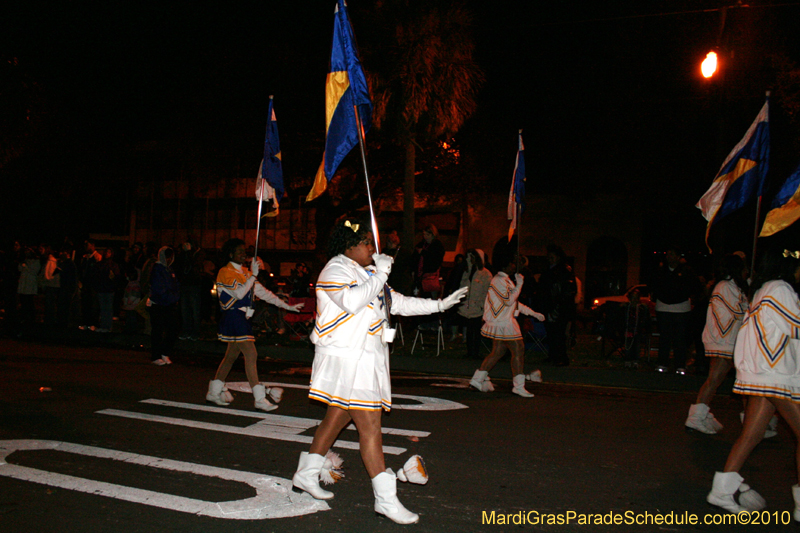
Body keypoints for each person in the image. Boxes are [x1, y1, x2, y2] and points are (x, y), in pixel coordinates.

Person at [290, 220, 466, 524]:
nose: (373, 248)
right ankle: (386, 500)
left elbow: (395, 303)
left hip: (366, 359)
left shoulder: (368, 272)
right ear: (349, 246)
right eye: (366, 243)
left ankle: (305, 475)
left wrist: (439, 305)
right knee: (370, 426)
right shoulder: (335, 270)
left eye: (372, 243)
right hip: (348, 360)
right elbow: (352, 302)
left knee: (336, 418)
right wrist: (382, 272)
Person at [706, 247, 800, 519]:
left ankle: (722, 491)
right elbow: (795, 326)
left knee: (751, 435)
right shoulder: (781, 289)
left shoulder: (764, 289)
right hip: (774, 374)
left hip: (762, 373)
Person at [206, 238, 305, 411]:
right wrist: (252, 275)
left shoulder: (245, 272)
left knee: (231, 356)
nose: (244, 254)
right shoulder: (225, 272)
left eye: (245, 251)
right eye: (240, 252)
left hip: (242, 318)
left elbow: (264, 294)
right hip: (233, 317)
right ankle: (259, 398)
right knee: (251, 354)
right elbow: (238, 293)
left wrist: (287, 306)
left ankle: (213, 392)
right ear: (230, 254)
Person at [685, 254, 748, 434]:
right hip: (725, 342)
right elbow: (735, 312)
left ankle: (699, 415)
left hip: (727, 342)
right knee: (734, 381)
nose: (746, 271)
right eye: (743, 268)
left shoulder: (731, 286)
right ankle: (753, 420)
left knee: (739, 382)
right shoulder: (725, 286)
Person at [469, 250, 545, 398]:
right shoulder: (499, 280)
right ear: (505, 265)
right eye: (512, 263)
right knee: (518, 349)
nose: (514, 265)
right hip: (503, 322)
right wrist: (520, 284)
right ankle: (518, 386)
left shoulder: (505, 280)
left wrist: (533, 313)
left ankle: (477, 380)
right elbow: (509, 300)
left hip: (503, 321)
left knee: (498, 351)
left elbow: (514, 303)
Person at [651, 246, 697, 374]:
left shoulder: (686, 271)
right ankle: (662, 363)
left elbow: (693, 286)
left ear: (678, 257)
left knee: (680, 338)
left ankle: (680, 365)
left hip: (681, 309)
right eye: (668, 254)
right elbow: (655, 285)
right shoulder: (661, 270)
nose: (669, 257)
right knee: (665, 337)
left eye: (672, 254)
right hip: (663, 307)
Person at [538, 244, 577, 367]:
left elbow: (568, 290)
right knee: (551, 332)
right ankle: (553, 355)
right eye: (549, 257)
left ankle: (562, 357)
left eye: (552, 257)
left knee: (559, 333)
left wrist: (559, 304)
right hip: (549, 305)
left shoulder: (565, 270)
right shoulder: (548, 270)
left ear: (558, 257)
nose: (550, 259)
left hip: (560, 307)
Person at [457, 249, 492, 358]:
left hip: (477, 307)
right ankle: (469, 351)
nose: (470, 259)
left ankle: (475, 352)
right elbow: (462, 287)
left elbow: (487, 291)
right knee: (469, 330)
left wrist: (482, 305)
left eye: (472, 257)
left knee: (476, 331)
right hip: (467, 307)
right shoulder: (467, 272)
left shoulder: (486, 274)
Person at [148, 246, 180, 365]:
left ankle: (164, 353)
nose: (168, 259)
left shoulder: (169, 269)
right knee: (158, 330)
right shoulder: (157, 269)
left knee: (173, 329)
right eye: (167, 257)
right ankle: (156, 355)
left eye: (170, 257)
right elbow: (158, 288)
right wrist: (171, 297)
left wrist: (175, 297)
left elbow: (176, 285)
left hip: (169, 304)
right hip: (159, 304)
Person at [410, 223, 444, 298]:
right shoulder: (421, 245)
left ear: (433, 235)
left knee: (431, 299)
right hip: (420, 277)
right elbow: (414, 260)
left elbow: (435, 260)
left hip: (431, 277)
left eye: (427, 235)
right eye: (424, 234)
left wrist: (424, 253)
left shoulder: (437, 246)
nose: (425, 237)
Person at [96, 248, 121, 333]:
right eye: (106, 252)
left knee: (108, 308)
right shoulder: (100, 264)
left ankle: (108, 326)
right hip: (102, 289)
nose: (107, 253)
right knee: (103, 308)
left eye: (109, 252)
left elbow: (117, 277)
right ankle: (103, 326)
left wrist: (113, 278)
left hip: (109, 289)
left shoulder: (113, 265)